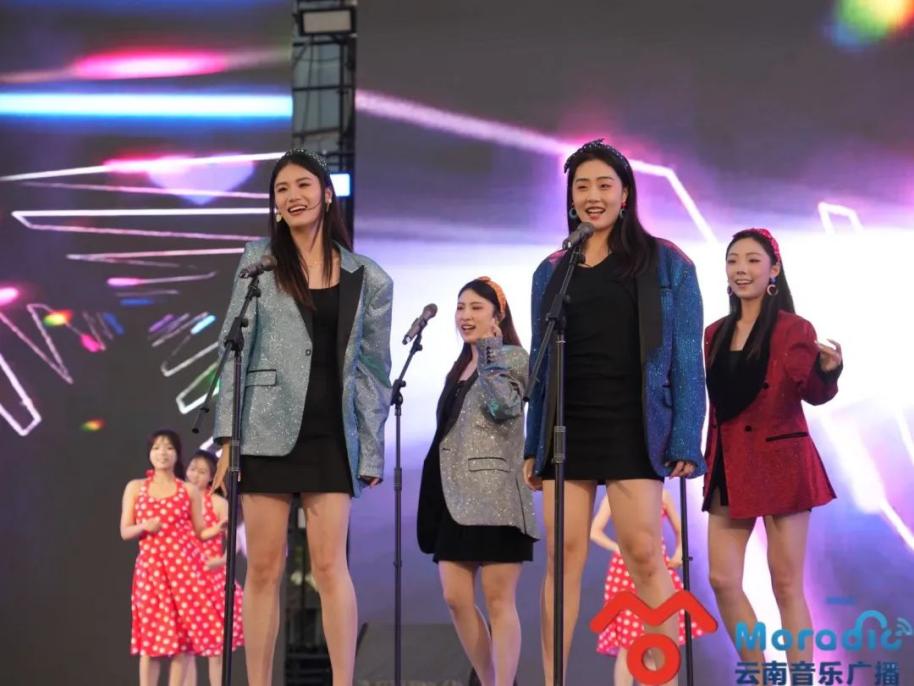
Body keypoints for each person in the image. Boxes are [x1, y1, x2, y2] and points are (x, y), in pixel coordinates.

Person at [524, 139, 706, 685]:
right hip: (567, 425)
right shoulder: (552, 270)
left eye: (604, 184)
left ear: (625, 194)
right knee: (563, 560)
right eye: (581, 186)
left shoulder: (668, 263)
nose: (593, 195)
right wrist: (534, 444)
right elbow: (539, 365)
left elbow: (687, 359)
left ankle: (658, 677)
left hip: (635, 423)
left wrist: (685, 437)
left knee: (645, 554)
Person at [211, 149, 393, 686]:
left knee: (330, 567)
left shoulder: (369, 277)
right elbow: (231, 348)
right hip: (263, 428)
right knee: (264, 568)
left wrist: (370, 448)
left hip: (331, 434)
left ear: (326, 195)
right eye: (282, 189)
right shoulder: (258, 260)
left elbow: (373, 371)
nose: (293, 196)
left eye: (303, 185)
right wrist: (228, 438)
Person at [702, 228, 842, 666]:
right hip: (729, 465)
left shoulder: (794, 329)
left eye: (752, 260)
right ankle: (759, 674)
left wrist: (829, 371)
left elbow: (813, 393)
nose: (741, 269)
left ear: (774, 270)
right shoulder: (713, 333)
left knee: (785, 584)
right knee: (722, 579)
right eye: (733, 261)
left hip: (781, 463)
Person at [417, 277, 538, 686]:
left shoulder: (514, 357)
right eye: (460, 307)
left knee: (500, 601)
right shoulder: (458, 367)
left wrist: (489, 352)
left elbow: (504, 406)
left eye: (476, 307)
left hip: (496, 497)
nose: (465, 316)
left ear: (497, 316)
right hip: (454, 499)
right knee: (455, 598)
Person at [120, 429, 222, 686]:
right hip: (150, 572)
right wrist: (145, 526)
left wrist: (219, 528)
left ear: (177, 454)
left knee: (182, 642)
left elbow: (200, 532)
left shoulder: (188, 490)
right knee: (150, 641)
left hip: (183, 573)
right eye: (156, 448)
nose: (162, 453)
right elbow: (125, 531)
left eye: (168, 448)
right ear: (149, 453)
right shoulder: (136, 487)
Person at [590, 489, 705, 686]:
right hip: (626, 573)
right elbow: (594, 531)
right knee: (629, 644)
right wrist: (618, 548)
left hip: (656, 567)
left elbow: (680, 529)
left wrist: (679, 552)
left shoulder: (661, 495)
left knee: (654, 642)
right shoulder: (614, 495)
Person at [184, 449, 244, 685]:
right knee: (185, 650)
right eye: (192, 469)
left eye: (202, 471)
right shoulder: (179, 499)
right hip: (184, 580)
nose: (195, 475)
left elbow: (234, 541)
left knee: (216, 648)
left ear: (211, 477)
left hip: (211, 581)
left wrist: (221, 561)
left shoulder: (217, 503)